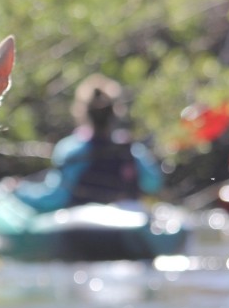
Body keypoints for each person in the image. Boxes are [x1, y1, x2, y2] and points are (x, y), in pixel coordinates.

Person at [13, 73, 163, 212]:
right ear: (115, 112)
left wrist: (19, 190)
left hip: (81, 230)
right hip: (127, 225)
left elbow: (54, 197)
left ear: (81, 112)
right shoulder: (131, 150)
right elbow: (153, 184)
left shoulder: (70, 150)